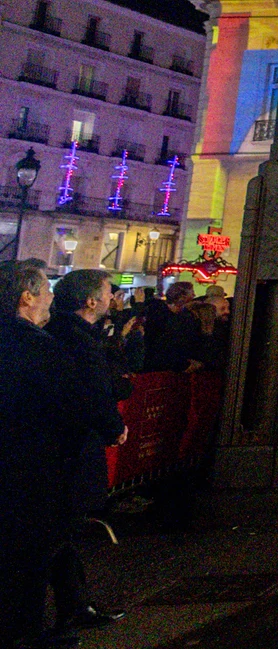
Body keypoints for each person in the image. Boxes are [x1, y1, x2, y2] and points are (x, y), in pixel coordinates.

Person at [1, 263, 86, 649]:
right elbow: (65, 414)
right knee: (26, 558)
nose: (52, 296)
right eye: (46, 289)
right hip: (29, 469)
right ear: (27, 297)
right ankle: (23, 633)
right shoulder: (39, 347)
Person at [41, 269, 129, 639]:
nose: (112, 298)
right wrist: (115, 427)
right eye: (108, 292)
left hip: (62, 447)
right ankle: (65, 611)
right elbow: (94, 391)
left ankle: (75, 604)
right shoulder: (78, 340)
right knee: (58, 530)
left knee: (62, 531)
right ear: (91, 300)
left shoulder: (65, 334)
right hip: (69, 449)